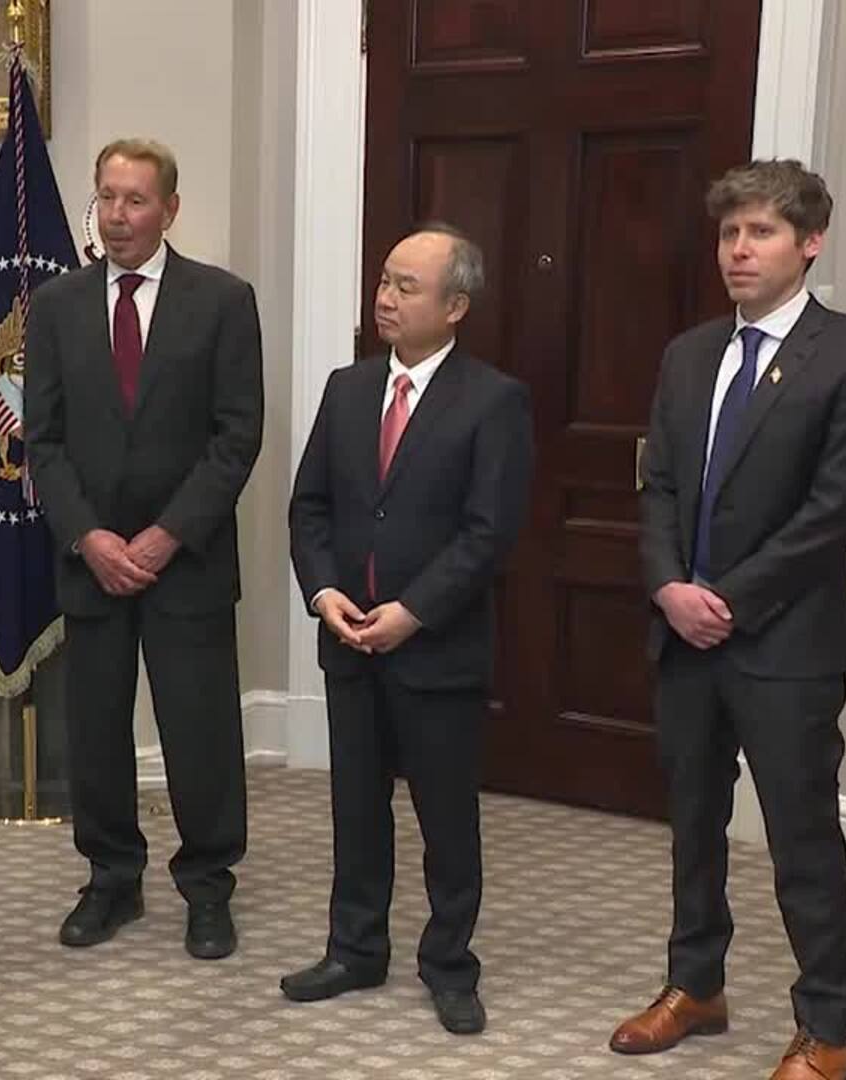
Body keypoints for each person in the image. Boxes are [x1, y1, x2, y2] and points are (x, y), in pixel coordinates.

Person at [613, 159, 846, 1080]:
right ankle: (694, 985)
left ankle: (828, 1029)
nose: (739, 250)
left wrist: (728, 601)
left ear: (810, 242)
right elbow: (659, 485)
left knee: (800, 838)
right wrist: (669, 588)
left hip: (786, 643)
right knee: (693, 823)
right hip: (682, 632)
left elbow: (834, 512)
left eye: (762, 232)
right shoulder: (689, 354)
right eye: (730, 233)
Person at [281, 224, 530, 1036]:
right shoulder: (348, 388)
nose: (385, 298)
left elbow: (488, 533)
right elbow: (310, 507)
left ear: (455, 306)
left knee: (446, 818)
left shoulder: (493, 400)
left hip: (437, 649)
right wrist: (324, 593)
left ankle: (449, 964)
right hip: (348, 641)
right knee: (357, 809)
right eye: (384, 281)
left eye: (406, 287)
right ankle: (355, 949)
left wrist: (412, 613)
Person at [22, 137, 263, 960]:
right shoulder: (56, 305)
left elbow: (237, 437)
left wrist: (166, 537)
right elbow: (43, 439)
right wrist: (89, 536)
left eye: (135, 200)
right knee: (95, 730)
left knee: (200, 731)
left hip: (186, 560)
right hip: (91, 559)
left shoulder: (223, 301)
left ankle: (208, 887)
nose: (117, 216)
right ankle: (111, 879)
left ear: (170, 209)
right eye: (107, 198)